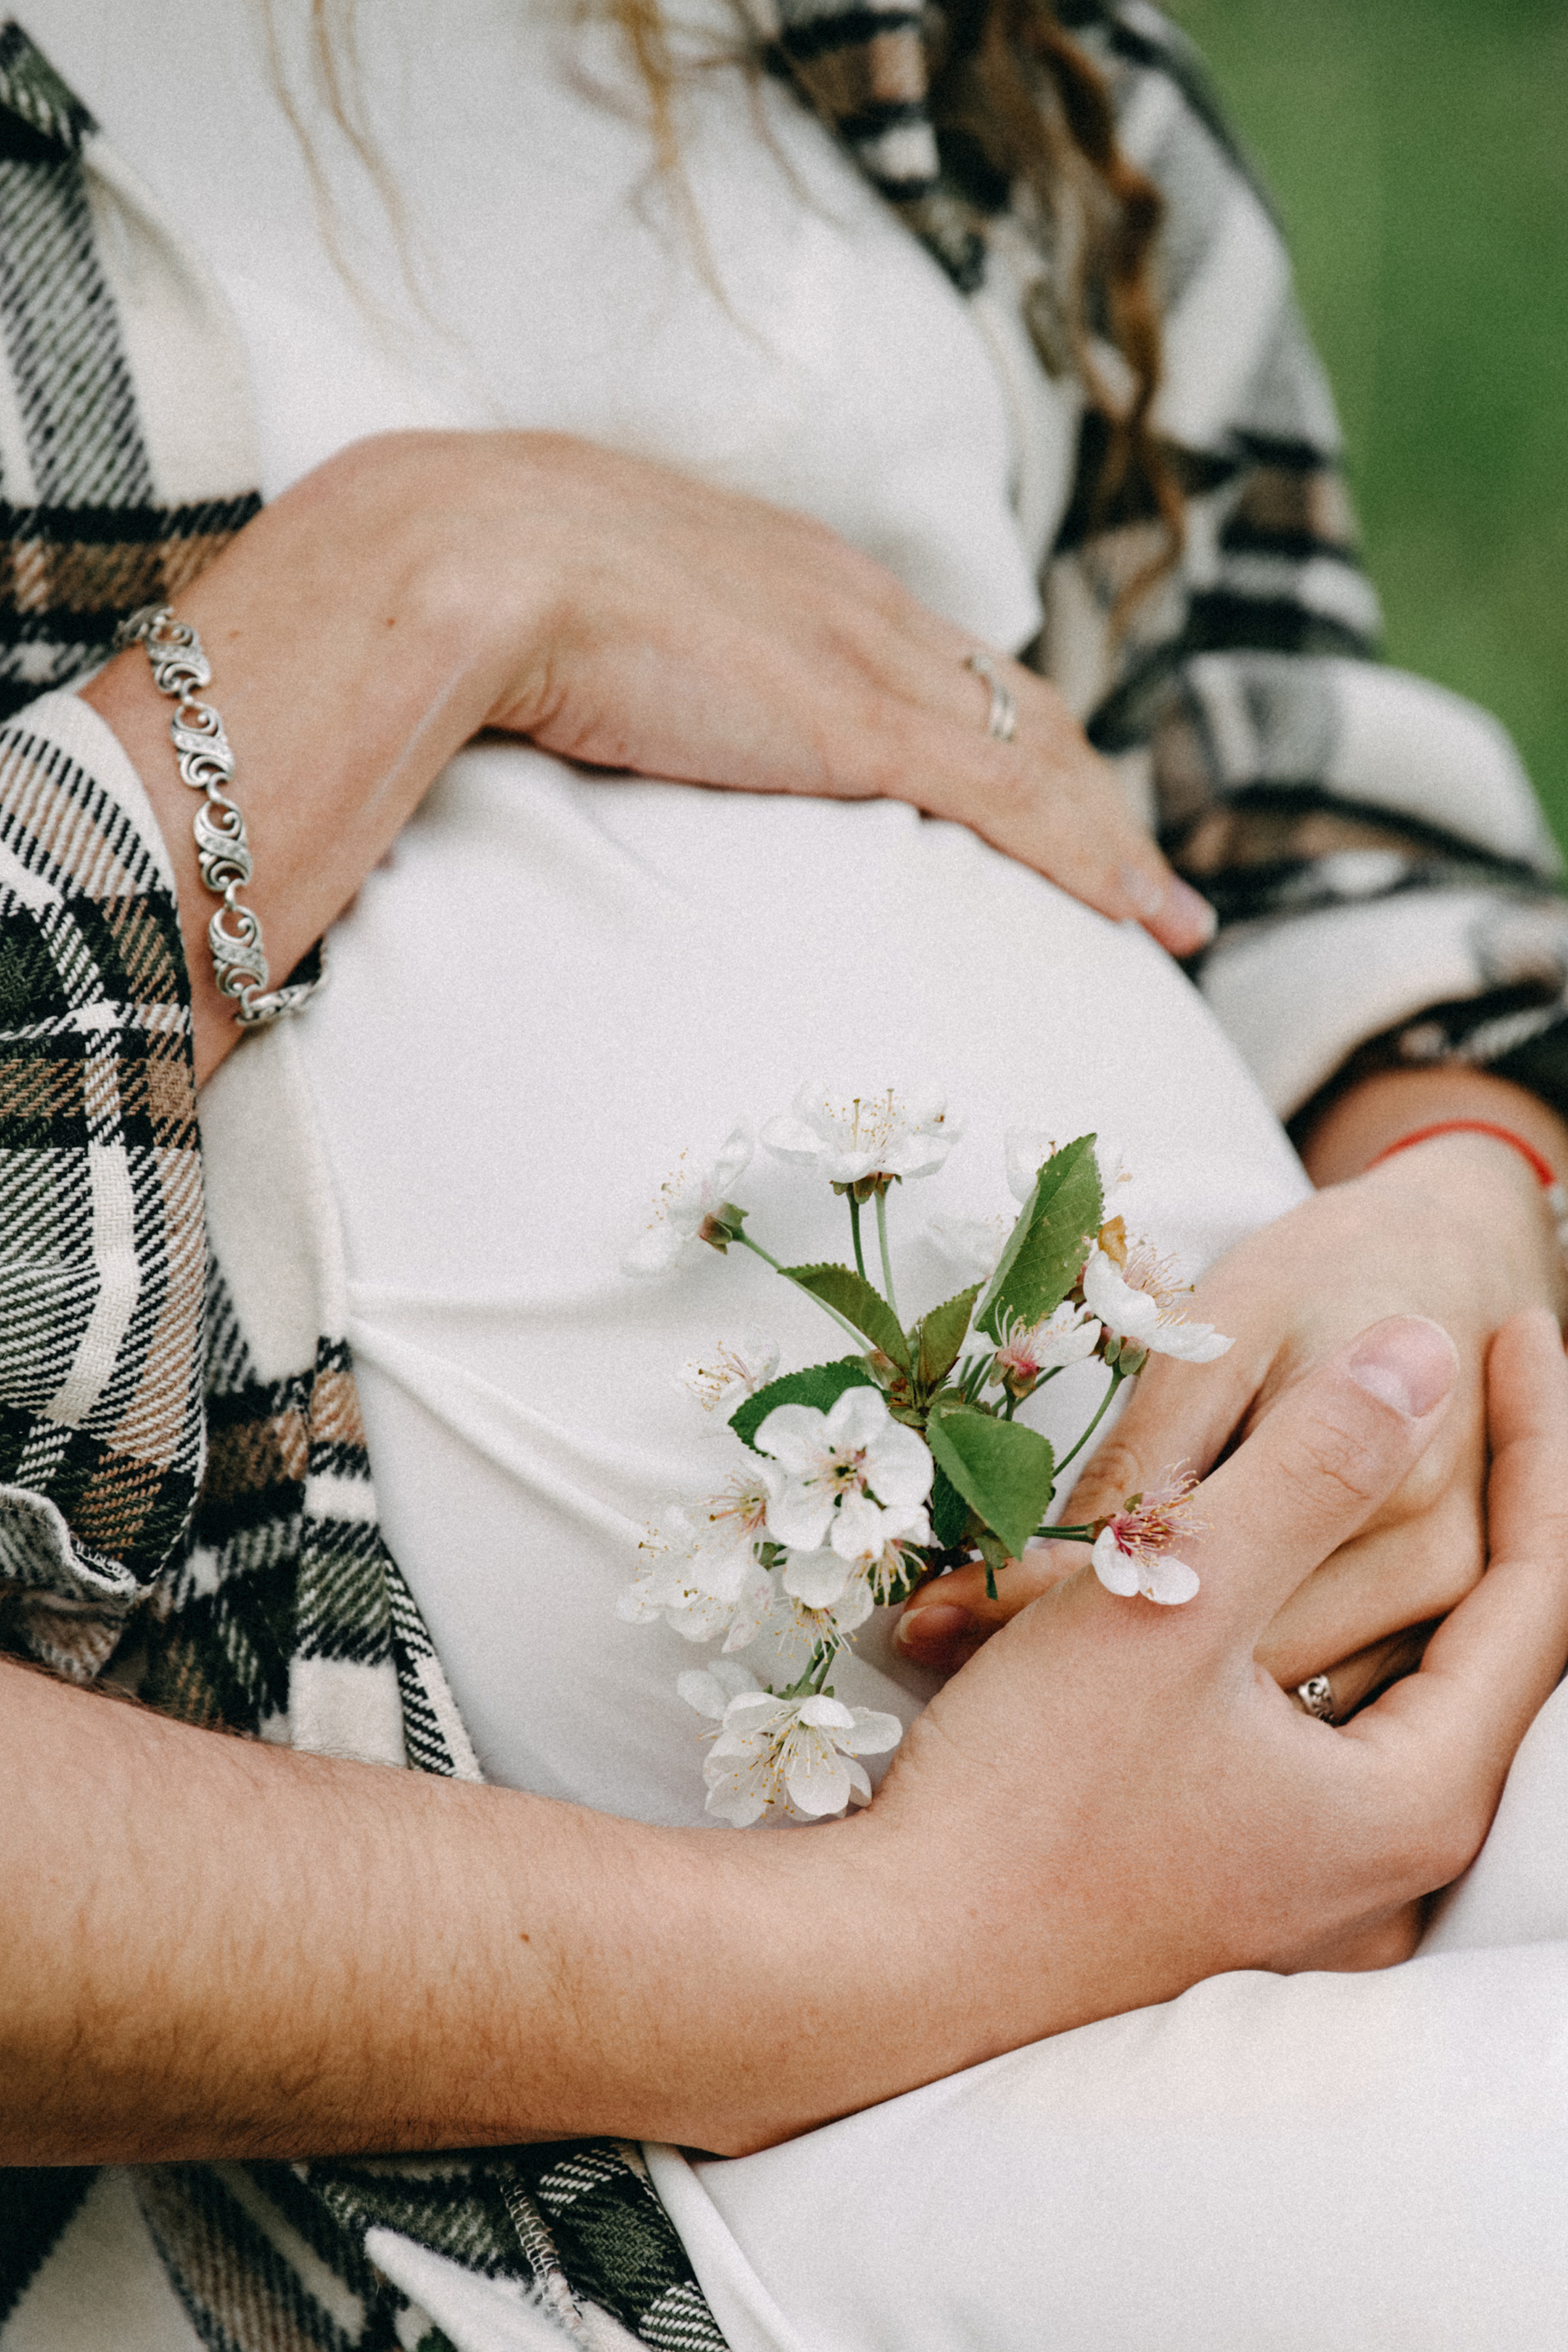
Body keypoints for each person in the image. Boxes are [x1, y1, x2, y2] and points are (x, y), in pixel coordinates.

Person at [1, 3, 1567, 2345]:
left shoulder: (947, 43)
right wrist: (427, 592)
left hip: (1363, 1715)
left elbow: (1281, 770)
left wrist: (1451, 1212)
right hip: (545, 2160)